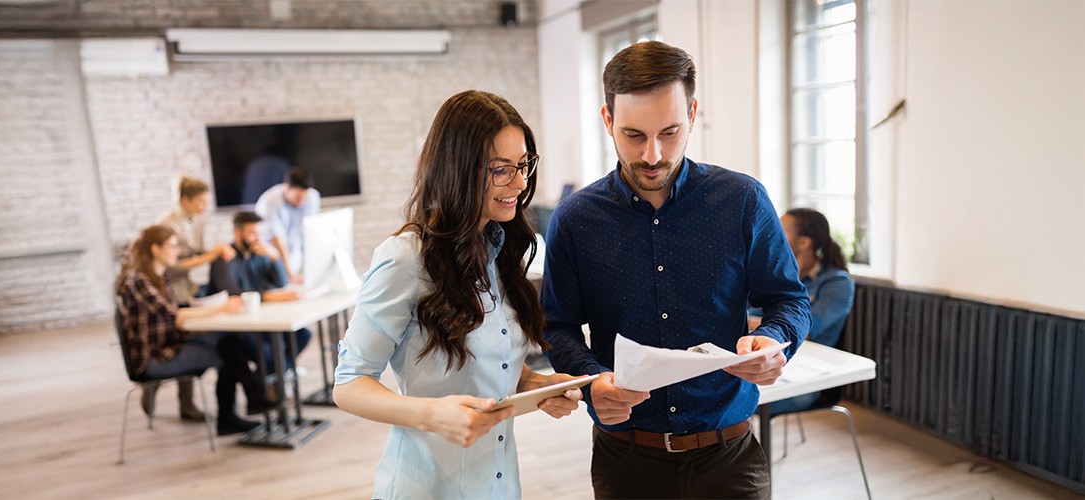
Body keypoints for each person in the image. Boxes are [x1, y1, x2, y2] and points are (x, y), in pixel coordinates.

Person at [539, 41, 811, 499]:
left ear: (693, 113)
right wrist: (591, 382)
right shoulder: (575, 219)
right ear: (607, 121)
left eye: (670, 132)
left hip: (729, 456)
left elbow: (789, 298)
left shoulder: (742, 201)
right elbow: (557, 326)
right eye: (633, 135)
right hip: (625, 460)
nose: (652, 155)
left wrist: (777, 339)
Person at [332, 90, 586, 499]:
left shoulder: (500, 251)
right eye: (501, 170)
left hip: (500, 486)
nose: (520, 184)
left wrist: (535, 385)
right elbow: (348, 385)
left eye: (523, 165)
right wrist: (431, 414)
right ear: (458, 170)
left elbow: (487, 366)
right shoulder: (405, 260)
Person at [115, 225, 277, 436]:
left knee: (231, 341)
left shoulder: (159, 279)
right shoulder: (137, 282)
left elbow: (176, 317)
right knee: (228, 351)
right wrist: (220, 308)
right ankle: (245, 404)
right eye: (173, 246)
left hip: (171, 345)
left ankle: (247, 402)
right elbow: (176, 317)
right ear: (155, 249)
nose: (178, 252)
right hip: (155, 358)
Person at [753, 208, 855, 415]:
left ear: (803, 243)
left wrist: (738, 320)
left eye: (780, 229)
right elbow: (750, 309)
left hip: (808, 379)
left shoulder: (836, 282)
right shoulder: (780, 276)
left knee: (736, 401)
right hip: (772, 360)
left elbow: (805, 328)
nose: (771, 232)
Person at [153, 176, 236, 421]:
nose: (204, 207)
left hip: (188, 288)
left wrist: (218, 248)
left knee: (192, 339)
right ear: (184, 200)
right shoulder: (167, 226)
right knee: (182, 341)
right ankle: (177, 398)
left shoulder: (197, 219)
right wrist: (209, 256)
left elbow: (196, 251)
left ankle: (184, 403)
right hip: (172, 290)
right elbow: (173, 267)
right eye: (200, 202)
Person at [208, 211, 311, 369]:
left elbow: (281, 283)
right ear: (237, 233)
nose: (258, 238)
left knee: (303, 335)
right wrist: (268, 296)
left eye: (260, 233)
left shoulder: (259, 254)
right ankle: (273, 381)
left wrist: (275, 256)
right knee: (270, 355)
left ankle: (275, 379)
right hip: (236, 327)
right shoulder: (224, 259)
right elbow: (232, 292)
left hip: (260, 320)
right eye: (253, 233)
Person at [253, 167, 321, 284]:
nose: (302, 202)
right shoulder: (270, 201)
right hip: (271, 259)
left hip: (294, 257)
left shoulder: (312, 196)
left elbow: (311, 231)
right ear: (286, 188)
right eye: (298, 197)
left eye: (304, 197)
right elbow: (277, 239)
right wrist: (290, 274)